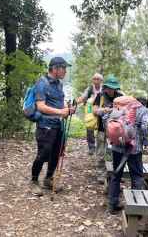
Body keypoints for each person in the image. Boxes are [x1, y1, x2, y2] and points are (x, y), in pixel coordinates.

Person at [30, 57, 75, 196]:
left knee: (57, 152)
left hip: (58, 125)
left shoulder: (59, 84)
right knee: (43, 153)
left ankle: (48, 179)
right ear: (55, 68)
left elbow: (59, 104)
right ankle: (34, 181)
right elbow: (41, 106)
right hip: (45, 126)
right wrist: (61, 112)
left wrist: (67, 109)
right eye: (64, 68)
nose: (65, 71)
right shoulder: (41, 83)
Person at [108, 96, 148, 214]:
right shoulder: (144, 111)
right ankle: (135, 208)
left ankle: (112, 205)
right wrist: (146, 143)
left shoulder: (121, 106)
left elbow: (107, 119)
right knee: (136, 176)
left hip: (117, 147)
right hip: (134, 149)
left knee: (116, 174)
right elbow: (144, 127)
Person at [93, 75, 123, 184]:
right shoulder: (100, 96)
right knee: (101, 152)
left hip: (117, 130)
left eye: (113, 88)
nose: (111, 90)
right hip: (102, 128)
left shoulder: (121, 96)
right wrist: (103, 110)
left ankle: (116, 173)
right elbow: (94, 111)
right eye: (109, 88)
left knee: (116, 152)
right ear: (105, 87)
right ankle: (101, 174)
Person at [77, 73, 103, 155]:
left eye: (97, 79)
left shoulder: (104, 88)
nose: (95, 80)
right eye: (94, 79)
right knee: (89, 127)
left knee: (101, 129)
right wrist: (76, 102)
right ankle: (91, 147)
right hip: (91, 109)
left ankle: (100, 148)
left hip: (101, 109)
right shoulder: (90, 88)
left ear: (101, 80)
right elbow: (84, 97)